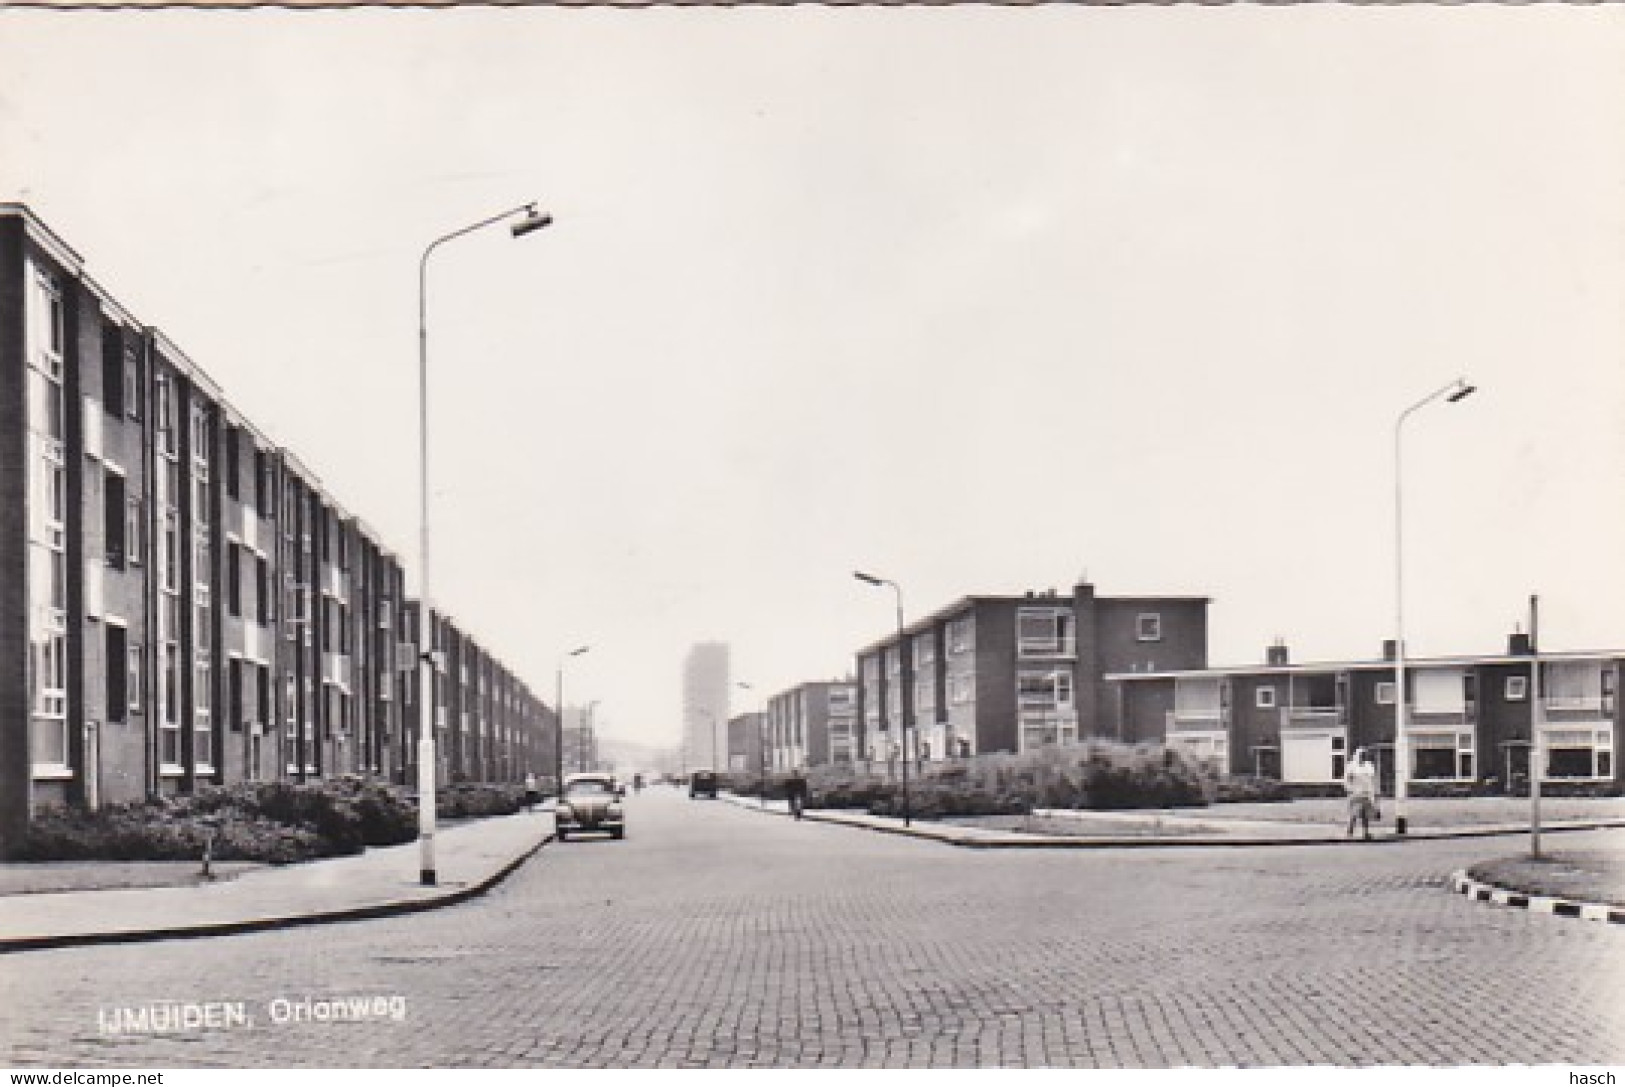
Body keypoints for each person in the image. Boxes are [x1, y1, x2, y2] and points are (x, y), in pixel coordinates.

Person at [1344, 748, 1379, 840]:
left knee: (1365, 814)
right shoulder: (1351, 766)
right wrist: (1349, 789)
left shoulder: (1368, 766)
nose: (1361, 757)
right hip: (1355, 792)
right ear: (1355, 756)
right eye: (1360, 755)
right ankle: (1349, 831)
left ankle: (1366, 832)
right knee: (1353, 813)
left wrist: (1373, 792)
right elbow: (1347, 779)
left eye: (1363, 755)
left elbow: (1372, 779)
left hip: (1365, 793)